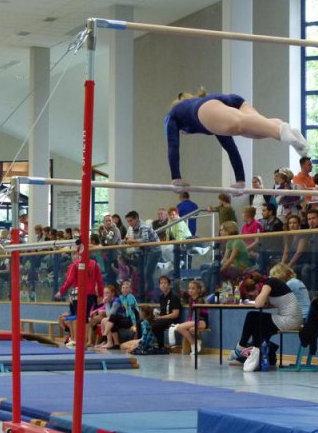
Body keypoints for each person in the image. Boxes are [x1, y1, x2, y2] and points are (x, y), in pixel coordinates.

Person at [165, 89, 308, 188]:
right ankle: (284, 127)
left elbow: (173, 145)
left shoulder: (173, 115)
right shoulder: (211, 121)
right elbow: (230, 148)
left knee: (240, 124)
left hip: (206, 108)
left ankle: (282, 132)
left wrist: (175, 178)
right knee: (255, 130)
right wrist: (240, 180)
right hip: (232, 100)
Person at [229, 263, 303, 369]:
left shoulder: (269, 283)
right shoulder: (272, 284)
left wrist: (259, 295)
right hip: (293, 319)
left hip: (291, 320)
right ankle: (261, 358)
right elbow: (268, 303)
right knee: (258, 324)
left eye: (253, 291)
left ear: (257, 286)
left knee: (252, 316)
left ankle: (241, 347)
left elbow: (258, 304)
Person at [54, 248, 104, 347]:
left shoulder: (75, 264)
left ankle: (79, 340)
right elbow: (99, 281)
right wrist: (100, 295)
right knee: (85, 318)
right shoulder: (94, 264)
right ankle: (83, 341)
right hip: (90, 295)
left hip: (79, 294)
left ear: (78, 254)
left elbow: (69, 280)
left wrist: (61, 291)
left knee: (80, 317)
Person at [124, 210, 162, 298]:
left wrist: (132, 241)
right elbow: (127, 238)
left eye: (131, 221)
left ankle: (151, 295)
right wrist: (127, 240)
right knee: (140, 274)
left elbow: (145, 240)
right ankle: (142, 295)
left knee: (147, 273)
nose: (129, 223)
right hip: (143, 251)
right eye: (128, 221)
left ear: (136, 219)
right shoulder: (132, 228)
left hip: (154, 251)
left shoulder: (144, 226)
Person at [100, 281, 139, 349]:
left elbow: (132, 312)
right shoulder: (121, 297)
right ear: (121, 289)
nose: (125, 289)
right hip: (126, 317)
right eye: (123, 288)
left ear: (130, 290)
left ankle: (104, 336)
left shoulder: (130, 297)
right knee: (113, 319)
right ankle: (116, 344)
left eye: (127, 288)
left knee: (113, 318)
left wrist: (134, 324)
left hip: (131, 319)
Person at [173, 280, 209, 355]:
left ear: (198, 290)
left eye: (193, 288)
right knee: (184, 328)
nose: (190, 290)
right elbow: (190, 313)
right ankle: (195, 343)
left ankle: (193, 344)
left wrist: (194, 325)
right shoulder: (190, 299)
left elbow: (198, 314)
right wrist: (188, 322)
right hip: (197, 321)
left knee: (179, 327)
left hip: (203, 322)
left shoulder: (200, 300)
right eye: (189, 288)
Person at [151, 275, 182, 349]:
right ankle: (143, 344)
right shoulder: (161, 297)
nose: (163, 285)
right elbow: (163, 312)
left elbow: (175, 314)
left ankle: (161, 347)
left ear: (169, 284)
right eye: (161, 283)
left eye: (165, 283)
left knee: (157, 325)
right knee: (143, 322)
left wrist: (161, 317)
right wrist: (157, 315)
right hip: (163, 319)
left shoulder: (174, 296)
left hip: (173, 320)